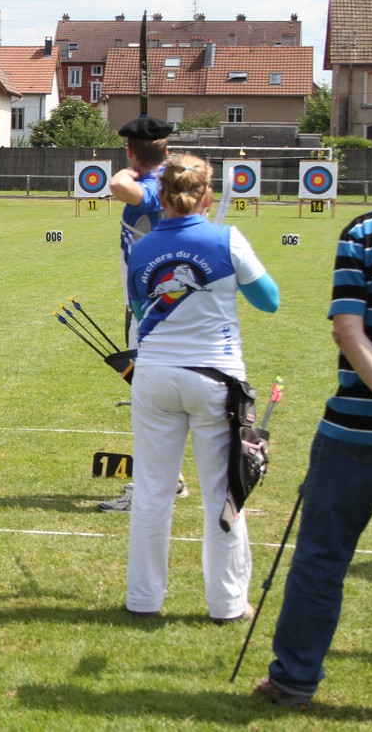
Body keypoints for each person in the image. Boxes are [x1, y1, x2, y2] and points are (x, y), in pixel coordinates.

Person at [256, 139, 372, 709]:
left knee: (322, 557)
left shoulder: (364, 234)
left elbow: (349, 329)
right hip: (365, 426)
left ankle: (293, 680)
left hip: (358, 429)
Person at [123, 153, 279, 621]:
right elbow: (269, 300)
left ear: (163, 197)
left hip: (154, 377)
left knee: (153, 490)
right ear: (206, 195)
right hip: (215, 378)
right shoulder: (226, 238)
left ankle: (143, 600)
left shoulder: (144, 246)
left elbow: (139, 303)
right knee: (222, 492)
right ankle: (228, 604)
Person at [100, 114, 187, 511]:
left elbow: (117, 185)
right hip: (164, 306)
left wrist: (130, 168)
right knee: (161, 401)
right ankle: (173, 479)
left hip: (151, 312)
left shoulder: (151, 188)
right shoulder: (177, 183)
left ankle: (152, 490)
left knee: (149, 405)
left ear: (132, 151)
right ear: (166, 150)